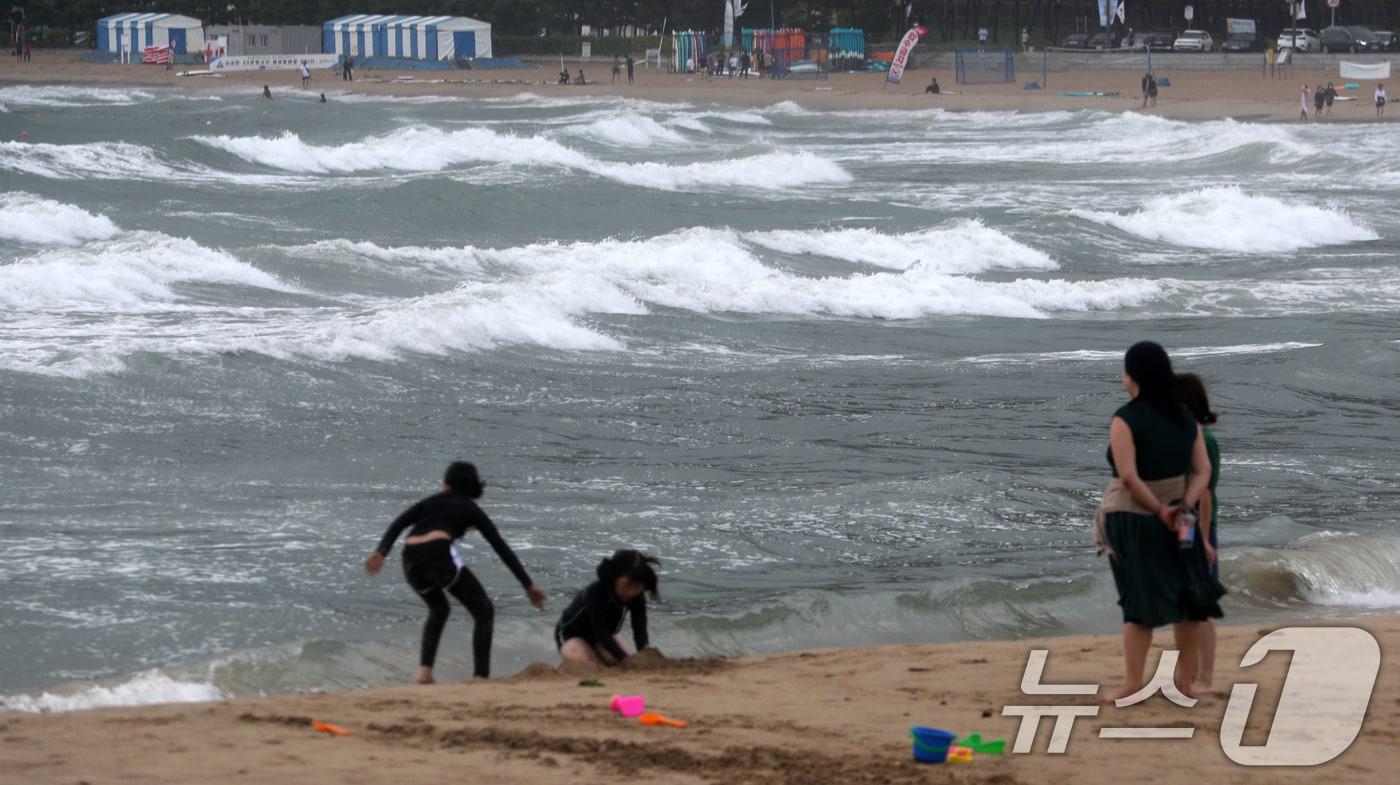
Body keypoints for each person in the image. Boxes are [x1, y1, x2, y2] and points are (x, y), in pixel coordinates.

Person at [1094, 342, 1224, 703]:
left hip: (1134, 518)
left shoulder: (1125, 418)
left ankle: (1133, 683)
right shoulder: (1185, 417)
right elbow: (1203, 471)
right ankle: (1185, 681)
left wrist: (1158, 509)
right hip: (1183, 517)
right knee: (1188, 599)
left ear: (1131, 377)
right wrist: (1182, 505)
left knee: (1137, 600)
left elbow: (1129, 477)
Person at [364, 462, 547, 684]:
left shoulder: (429, 502)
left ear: (446, 484)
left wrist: (381, 551)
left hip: (410, 560)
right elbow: (500, 547)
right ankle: (480, 677)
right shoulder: (471, 508)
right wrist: (527, 584)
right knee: (484, 611)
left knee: (439, 609)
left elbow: (398, 524)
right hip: (438, 555)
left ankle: (424, 672)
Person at [1174, 372, 1221, 691]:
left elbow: (1203, 494)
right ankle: (1188, 675)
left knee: (1197, 607)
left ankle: (1203, 677)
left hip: (1196, 527)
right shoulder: (1190, 436)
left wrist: (1203, 539)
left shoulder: (1201, 440)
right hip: (1185, 526)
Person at [556, 550, 660, 666]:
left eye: (638, 586)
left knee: (620, 662)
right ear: (614, 577)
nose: (632, 592)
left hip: (603, 637)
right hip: (571, 635)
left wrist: (643, 656)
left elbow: (640, 631)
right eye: (628, 584)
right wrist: (624, 660)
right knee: (591, 666)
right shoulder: (595, 592)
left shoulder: (637, 597)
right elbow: (602, 632)